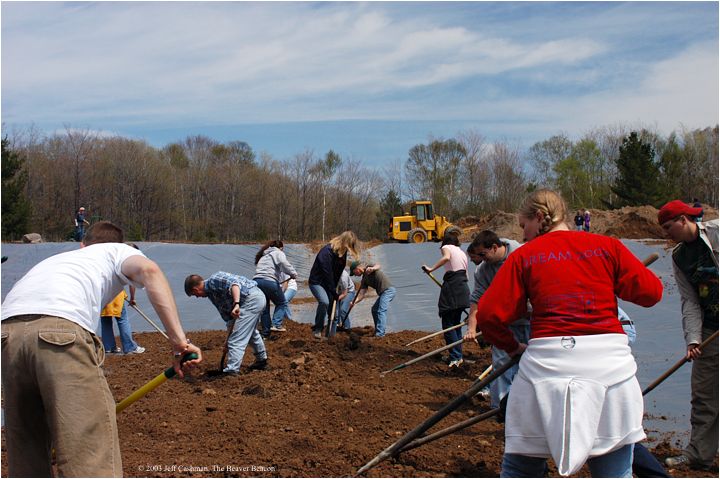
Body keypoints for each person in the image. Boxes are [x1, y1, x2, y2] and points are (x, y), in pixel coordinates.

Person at [476, 189, 663, 477]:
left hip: (545, 373)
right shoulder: (607, 247)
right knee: (614, 468)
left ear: (539, 218)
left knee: (521, 467)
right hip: (610, 371)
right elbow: (652, 293)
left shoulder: (524, 256)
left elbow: (489, 316)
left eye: (524, 226)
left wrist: (512, 347)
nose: (523, 235)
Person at [1, 221, 202, 477]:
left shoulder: (60, 260)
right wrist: (179, 343)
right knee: (88, 449)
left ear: (83, 244)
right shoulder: (117, 251)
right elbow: (150, 271)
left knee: (27, 447)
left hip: (7, 336)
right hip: (60, 331)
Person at [657, 200, 718, 470]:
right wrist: (693, 339)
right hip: (710, 329)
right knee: (704, 396)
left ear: (683, 219)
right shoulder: (679, 257)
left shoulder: (716, 232)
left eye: (669, 227)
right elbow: (690, 301)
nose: (667, 234)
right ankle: (699, 455)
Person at [464, 230, 529, 404]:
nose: (480, 258)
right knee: (501, 364)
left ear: (494, 247)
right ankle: (500, 407)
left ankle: (528, 406)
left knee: (533, 365)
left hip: (532, 321)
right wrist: (471, 328)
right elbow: (476, 299)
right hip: (505, 323)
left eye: (482, 254)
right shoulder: (483, 271)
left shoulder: (523, 254)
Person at [185, 272, 268, 373]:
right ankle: (261, 360)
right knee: (250, 332)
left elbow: (235, 284)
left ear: (195, 289)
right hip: (253, 301)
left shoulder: (214, 280)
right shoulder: (213, 295)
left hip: (251, 299)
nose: (198, 297)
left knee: (237, 338)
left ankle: (232, 370)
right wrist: (227, 341)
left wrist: (237, 304)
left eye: (195, 295)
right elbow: (230, 320)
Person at [422, 234, 470, 368]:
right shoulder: (462, 252)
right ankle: (457, 355)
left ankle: (455, 357)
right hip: (463, 288)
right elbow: (465, 275)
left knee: (448, 324)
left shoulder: (447, 247)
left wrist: (431, 269)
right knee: (456, 324)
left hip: (453, 287)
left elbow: (446, 257)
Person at [308, 231, 359, 339]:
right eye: (349, 245)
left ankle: (331, 337)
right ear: (344, 242)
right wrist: (333, 291)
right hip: (317, 282)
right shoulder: (326, 252)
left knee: (335, 315)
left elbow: (338, 272)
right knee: (324, 302)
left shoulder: (342, 253)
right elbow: (327, 273)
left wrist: (334, 290)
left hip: (330, 285)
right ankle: (318, 329)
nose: (349, 249)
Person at [253, 240, 297, 336]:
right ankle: (276, 324)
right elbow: (284, 263)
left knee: (265, 307)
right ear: (280, 247)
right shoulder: (278, 252)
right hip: (269, 281)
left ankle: (265, 332)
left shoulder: (263, 256)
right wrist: (293, 273)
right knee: (282, 302)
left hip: (257, 281)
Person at [350, 261, 396, 337]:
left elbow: (378, 265)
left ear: (357, 268)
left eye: (354, 273)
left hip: (388, 290)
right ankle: (377, 331)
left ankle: (380, 334)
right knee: (374, 309)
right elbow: (361, 294)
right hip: (382, 293)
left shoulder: (368, 267)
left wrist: (372, 268)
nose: (355, 275)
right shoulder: (364, 280)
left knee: (381, 310)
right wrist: (354, 302)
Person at [100, 287, 145, 354]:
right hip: (116, 295)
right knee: (122, 320)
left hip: (102, 296)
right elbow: (131, 282)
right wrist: (132, 298)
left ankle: (108, 347)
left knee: (105, 321)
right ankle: (129, 347)